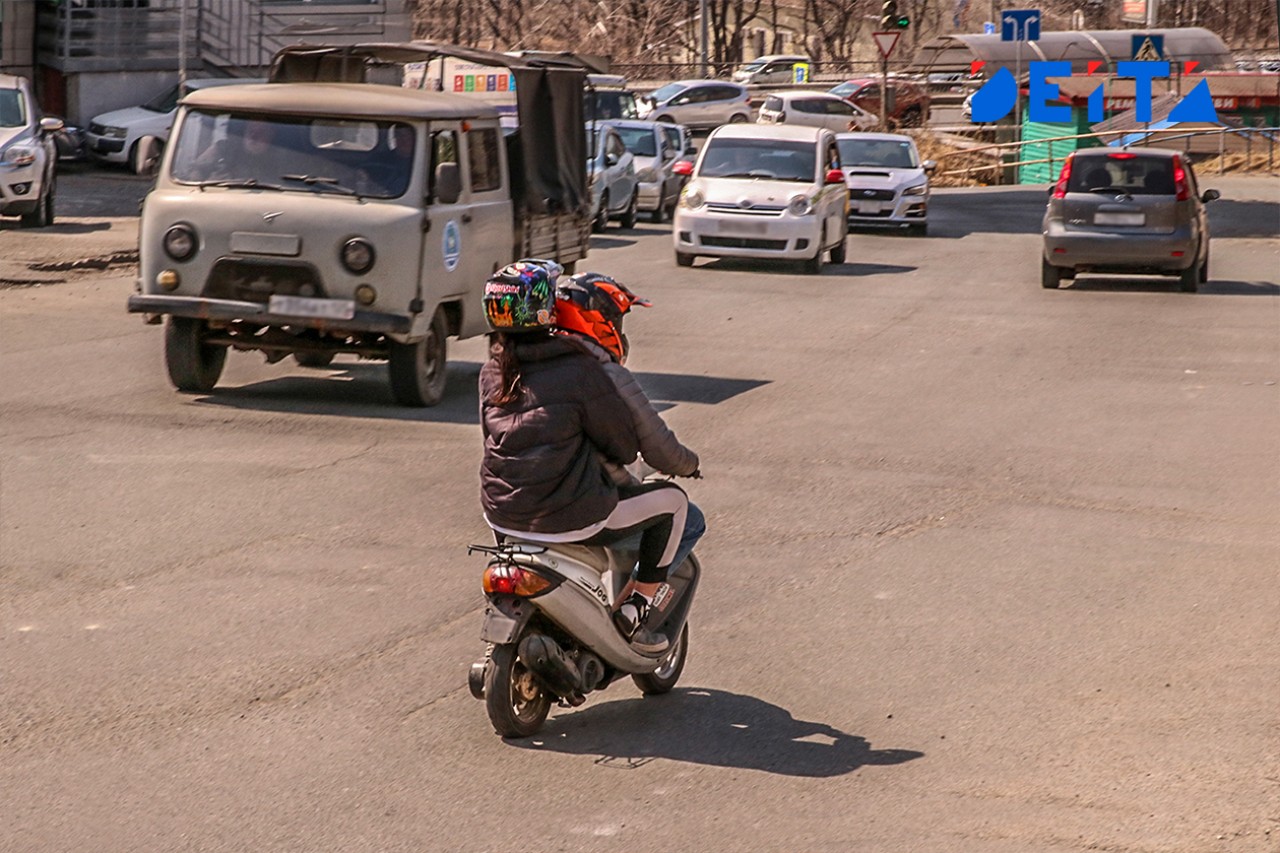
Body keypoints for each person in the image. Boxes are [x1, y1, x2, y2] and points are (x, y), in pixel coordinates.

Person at [478, 260, 701, 655]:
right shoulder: (581, 370)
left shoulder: (493, 369)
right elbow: (623, 447)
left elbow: (492, 440)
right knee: (675, 504)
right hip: (571, 516)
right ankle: (636, 606)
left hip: (500, 515)